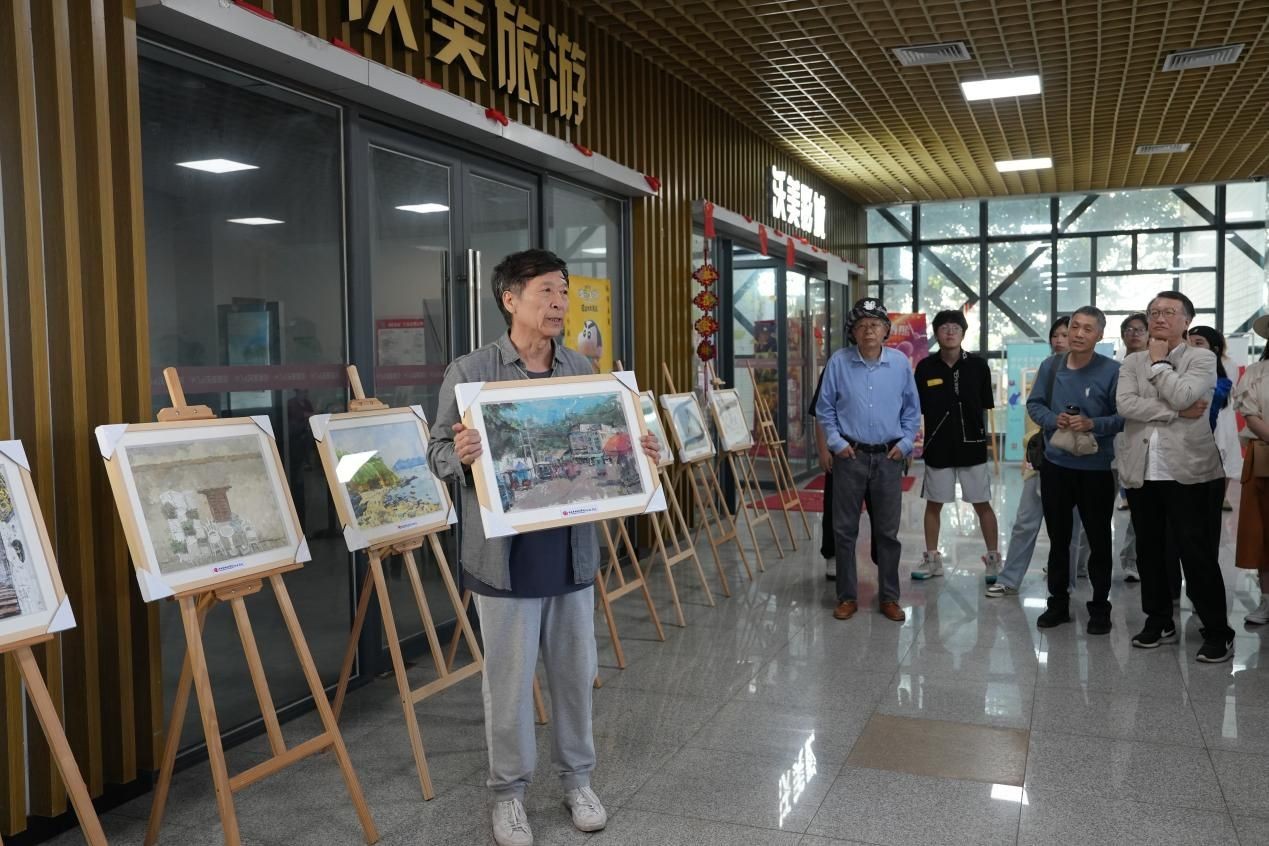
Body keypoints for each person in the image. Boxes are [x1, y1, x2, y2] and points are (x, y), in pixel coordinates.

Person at [429, 249, 660, 846]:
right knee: (508, 685)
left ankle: (578, 781)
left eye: (563, 291)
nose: (559, 304)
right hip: (504, 561)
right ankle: (508, 796)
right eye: (547, 292)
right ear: (510, 299)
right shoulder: (471, 371)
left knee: (576, 674)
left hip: (571, 552)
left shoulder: (581, 367)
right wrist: (459, 456)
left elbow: (607, 442)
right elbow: (435, 452)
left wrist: (639, 454)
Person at [1116, 290, 1235, 662]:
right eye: (1154, 312)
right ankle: (1159, 620)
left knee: (1196, 552)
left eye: (1169, 311)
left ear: (1187, 320)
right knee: (1150, 551)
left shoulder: (1201, 357)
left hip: (1190, 471)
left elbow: (1185, 396)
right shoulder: (1131, 361)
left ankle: (1218, 630)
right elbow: (1125, 404)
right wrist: (1173, 412)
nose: (1159, 318)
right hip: (1143, 470)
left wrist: (1159, 364)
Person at [816, 297, 921, 623]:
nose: (868, 331)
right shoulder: (838, 362)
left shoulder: (900, 364)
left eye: (875, 324)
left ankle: (889, 597)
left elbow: (912, 409)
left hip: (888, 458)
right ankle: (846, 597)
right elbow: (825, 408)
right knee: (844, 530)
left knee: (887, 533)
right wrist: (835, 443)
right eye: (861, 326)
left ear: (886, 330)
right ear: (853, 332)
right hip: (850, 457)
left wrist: (905, 443)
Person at [1025, 306, 1124, 633]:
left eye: (1087, 329)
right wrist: (1054, 420)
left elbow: (1123, 417)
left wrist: (1092, 423)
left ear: (1100, 335)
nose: (1079, 334)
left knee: (1098, 539)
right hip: (1056, 465)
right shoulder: (1051, 366)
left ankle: (1100, 607)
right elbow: (1035, 404)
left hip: (1096, 468)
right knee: (1058, 539)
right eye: (1075, 327)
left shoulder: (1113, 371)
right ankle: (1057, 603)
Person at [986, 317, 1088, 598]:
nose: (1060, 340)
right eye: (1056, 335)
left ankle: (1065, 585)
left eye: (1065, 334)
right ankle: (1009, 579)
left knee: (1069, 528)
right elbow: (1033, 412)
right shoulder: (1047, 369)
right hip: (1041, 459)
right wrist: (1033, 448)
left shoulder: (1090, 372)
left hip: (1075, 461)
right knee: (1025, 521)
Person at [911, 310, 1000, 583]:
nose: (950, 332)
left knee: (982, 503)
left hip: (972, 445)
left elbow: (985, 404)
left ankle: (994, 559)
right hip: (938, 445)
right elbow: (917, 407)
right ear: (936, 333)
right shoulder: (925, 367)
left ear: (963, 333)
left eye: (955, 327)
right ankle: (932, 559)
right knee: (934, 503)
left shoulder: (978, 366)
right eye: (944, 327)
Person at [1233, 317, 1269, 626]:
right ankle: (1267, 600)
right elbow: (1250, 412)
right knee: (1263, 531)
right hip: (1264, 456)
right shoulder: (1257, 372)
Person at [1188, 326, 1243, 507]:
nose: (1193, 347)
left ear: (1215, 347)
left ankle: (1221, 497)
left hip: (1222, 416)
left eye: (1199, 343)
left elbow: (1224, 393)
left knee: (1224, 455)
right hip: (1193, 421)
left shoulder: (1228, 364)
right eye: (1190, 342)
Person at [1114, 313, 1148, 582]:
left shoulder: (1155, 367)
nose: (1133, 333)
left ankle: (1132, 561)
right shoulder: (1113, 367)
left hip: (1140, 442)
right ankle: (1080, 561)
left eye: (1139, 329)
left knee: (1140, 509)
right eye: (1129, 329)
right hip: (1109, 442)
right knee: (1094, 509)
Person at [810, 367, 836, 580]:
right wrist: (823, 449)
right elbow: (821, 412)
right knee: (834, 506)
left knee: (880, 511)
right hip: (841, 452)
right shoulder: (835, 367)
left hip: (879, 453)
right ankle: (833, 556)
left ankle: (881, 557)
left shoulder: (893, 365)